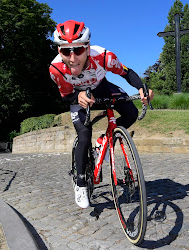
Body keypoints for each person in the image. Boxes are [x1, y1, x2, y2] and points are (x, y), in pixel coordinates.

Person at [49, 20, 154, 209]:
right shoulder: (56, 69)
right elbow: (65, 96)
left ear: (87, 48)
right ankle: (80, 184)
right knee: (83, 135)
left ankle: (104, 142)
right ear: (59, 51)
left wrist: (141, 88)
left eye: (78, 50)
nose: (72, 58)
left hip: (102, 88)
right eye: (66, 51)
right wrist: (77, 96)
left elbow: (126, 72)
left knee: (131, 112)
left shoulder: (104, 56)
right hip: (77, 97)